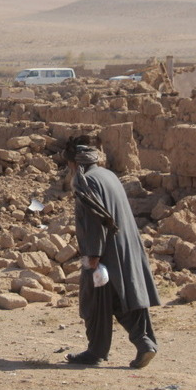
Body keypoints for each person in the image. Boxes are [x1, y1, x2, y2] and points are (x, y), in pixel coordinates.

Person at [63, 134, 160, 368]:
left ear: (74, 162)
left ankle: (96, 351)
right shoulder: (108, 175)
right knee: (123, 296)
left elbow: (95, 219)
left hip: (103, 250)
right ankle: (144, 343)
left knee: (94, 300)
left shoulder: (84, 180)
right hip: (125, 246)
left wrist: (93, 255)